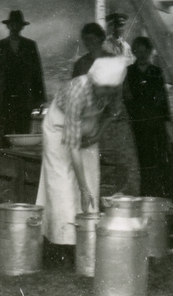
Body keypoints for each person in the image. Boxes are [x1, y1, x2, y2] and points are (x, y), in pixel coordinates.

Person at [36, 56, 128, 252]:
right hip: (59, 127)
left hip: (88, 128)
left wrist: (97, 135)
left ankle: (87, 240)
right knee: (62, 183)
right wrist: (83, 189)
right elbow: (73, 147)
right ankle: (61, 243)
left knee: (90, 178)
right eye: (101, 88)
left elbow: (113, 113)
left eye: (109, 90)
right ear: (93, 81)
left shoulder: (114, 88)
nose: (105, 93)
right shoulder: (77, 92)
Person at [71, 22, 141, 194]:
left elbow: (122, 95)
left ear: (101, 39)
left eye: (93, 39)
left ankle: (127, 204)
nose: (90, 43)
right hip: (92, 120)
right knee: (97, 168)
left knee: (126, 167)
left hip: (116, 122)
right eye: (86, 40)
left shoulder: (114, 61)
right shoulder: (81, 64)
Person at [124, 37, 173, 197]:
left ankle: (156, 193)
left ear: (149, 51)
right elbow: (126, 98)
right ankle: (141, 192)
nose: (141, 54)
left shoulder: (156, 71)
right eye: (137, 50)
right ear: (134, 52)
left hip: (154, 122)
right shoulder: (129, 72)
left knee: (157, 157)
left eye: (145, 50)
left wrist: (167, 123)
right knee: (139, 157)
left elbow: (163, 100)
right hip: (137, 122)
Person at [0, 10, 46, 140]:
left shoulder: (30, 46)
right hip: (4, 99)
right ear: (8, 26)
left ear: (22, 26)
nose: (14, 27)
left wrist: (39, 99)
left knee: (22, 134)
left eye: (17, 24)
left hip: (24, 98)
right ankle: (4, 159)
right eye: (12, 24)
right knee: (4, 136)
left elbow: (37, 73)